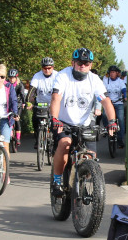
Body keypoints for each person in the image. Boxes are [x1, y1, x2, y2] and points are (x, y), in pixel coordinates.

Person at [49, 48, 117, 195]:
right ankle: (57, 180)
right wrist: (54, 119)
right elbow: (56, 98)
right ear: (73, 63)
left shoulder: (94, 80)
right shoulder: (63, 76)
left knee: (90, 156)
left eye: (86, 63)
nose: (83, 66)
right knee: (64, 144)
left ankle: (82, 179)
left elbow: (105, 101)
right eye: (80, 63)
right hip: (64, 122)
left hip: (86, 124)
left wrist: (112, 121)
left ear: (91, 65)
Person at [28, 57, 57, 144]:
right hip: (40, 102)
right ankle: (38, 139)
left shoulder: (57, 76)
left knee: (55, 121)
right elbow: (32, 90)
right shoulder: (37, 76)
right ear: (42, 68)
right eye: (45, 68)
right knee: (35, 120)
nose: (47, 70)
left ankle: (54, 139)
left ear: (53, 67)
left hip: (53, 102)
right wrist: (29, 102)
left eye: (49, 68)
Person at [103, 65, 127, 148]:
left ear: (117, 73)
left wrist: (125, 96)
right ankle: (107, 130)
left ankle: (120, 140)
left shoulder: (120, 81)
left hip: (118, 103)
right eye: (111, 72)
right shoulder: (106, 80)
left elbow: (124, 89)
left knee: (120, 120)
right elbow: (103, 90)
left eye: (113, 72)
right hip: (109, 102)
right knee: (104, 115)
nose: (112, 74)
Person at [7, 68, 27, 148]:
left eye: (13, 78)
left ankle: (18, 138)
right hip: (9, 104)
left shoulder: (19, 85)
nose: (11, 79)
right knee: (8, 119)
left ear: (16, 77)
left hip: (18, 104)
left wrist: (24, 103)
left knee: (17, 120)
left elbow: (22, 95)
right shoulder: (6, 84)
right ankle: (10, 133)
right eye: (10, 77)